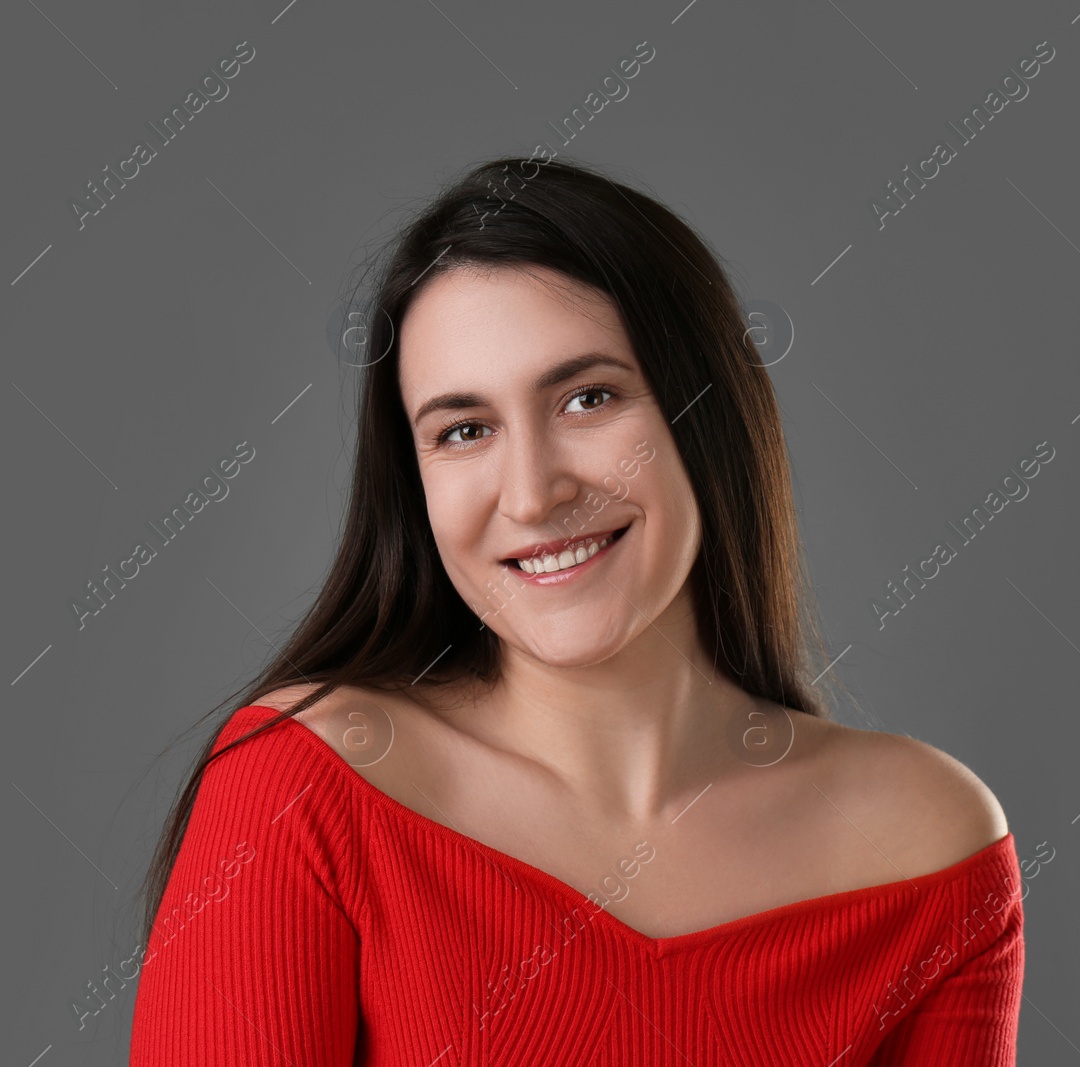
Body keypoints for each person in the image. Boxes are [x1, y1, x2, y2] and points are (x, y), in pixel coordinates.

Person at [127, 156, 1024, 1065]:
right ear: (416, 482)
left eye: (588, 397)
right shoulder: (300, 790)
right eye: (464, 430)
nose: (532, 493)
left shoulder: (928, 846)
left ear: (705, 412)